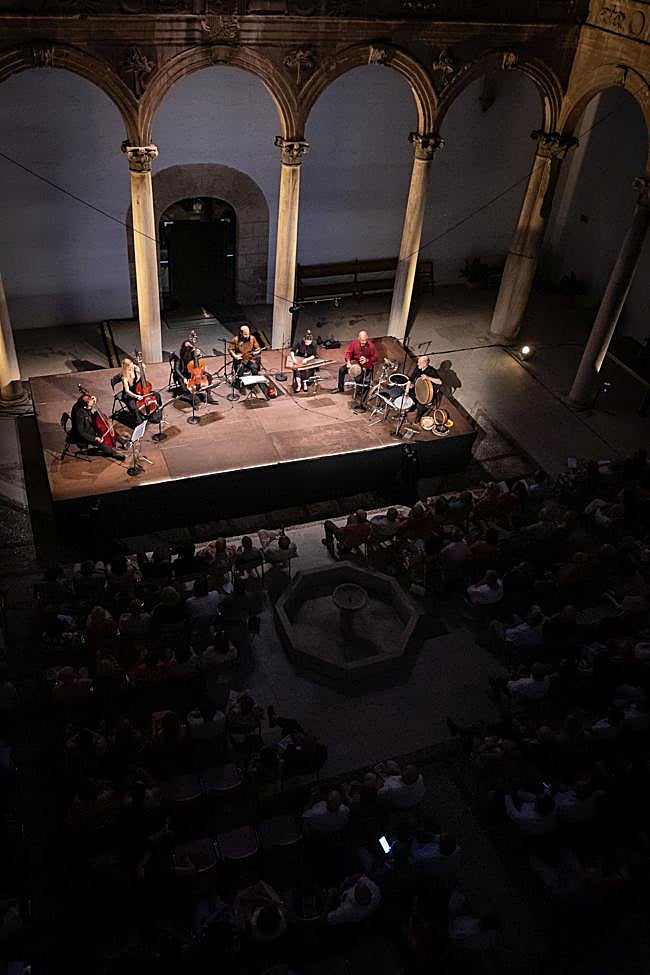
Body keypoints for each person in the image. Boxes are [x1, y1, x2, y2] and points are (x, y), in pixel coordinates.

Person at [70, 390, 125, 460]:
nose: (92, 407)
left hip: (90, 426)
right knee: (108, 450)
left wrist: (94, 400)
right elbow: (81, 433)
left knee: (106, 427)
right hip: (85, 435)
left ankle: (121, 440)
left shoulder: (83, 404)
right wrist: (95, 438)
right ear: (84, 406)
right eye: (90, 406)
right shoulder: (79, 414)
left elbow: (90, 406)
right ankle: (108, 452)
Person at [120, 355, 162, 425]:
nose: (132, 367)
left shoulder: (134, 368)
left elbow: (142, 373)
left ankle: (157, 409)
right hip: (130, 395)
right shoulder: (124, 377)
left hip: (139, 391)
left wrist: (143, 367)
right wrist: (136, 396)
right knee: (135, 408)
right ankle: (139, 420)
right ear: (126, 368)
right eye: (130, 367)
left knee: (157, 395)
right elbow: (127, 391)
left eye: (132, 365)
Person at [177, 334, 216, 404]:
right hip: (186, 374)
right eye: (187, 348)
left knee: (209, 377)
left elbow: (199, 364)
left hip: (197, 373)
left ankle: (208, 396)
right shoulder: (180, 356)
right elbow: (177, 369)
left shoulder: (193, 354)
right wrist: (183, 378)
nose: (189, 349)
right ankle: (194, 399)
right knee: (186, 386)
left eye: (190, 348)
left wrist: (199, 355)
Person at [407, 355, 442, 421]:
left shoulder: (431, 371)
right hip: (419, 387)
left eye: (419, 363)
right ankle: (412, 407)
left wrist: (428, 377)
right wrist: (407, 389)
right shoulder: (418, 368)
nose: (417, 364)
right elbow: (411, 378)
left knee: (420, 405)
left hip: (428, 393)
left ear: (425, 363)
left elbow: (440, 382)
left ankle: (419, 415)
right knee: (410, 394)